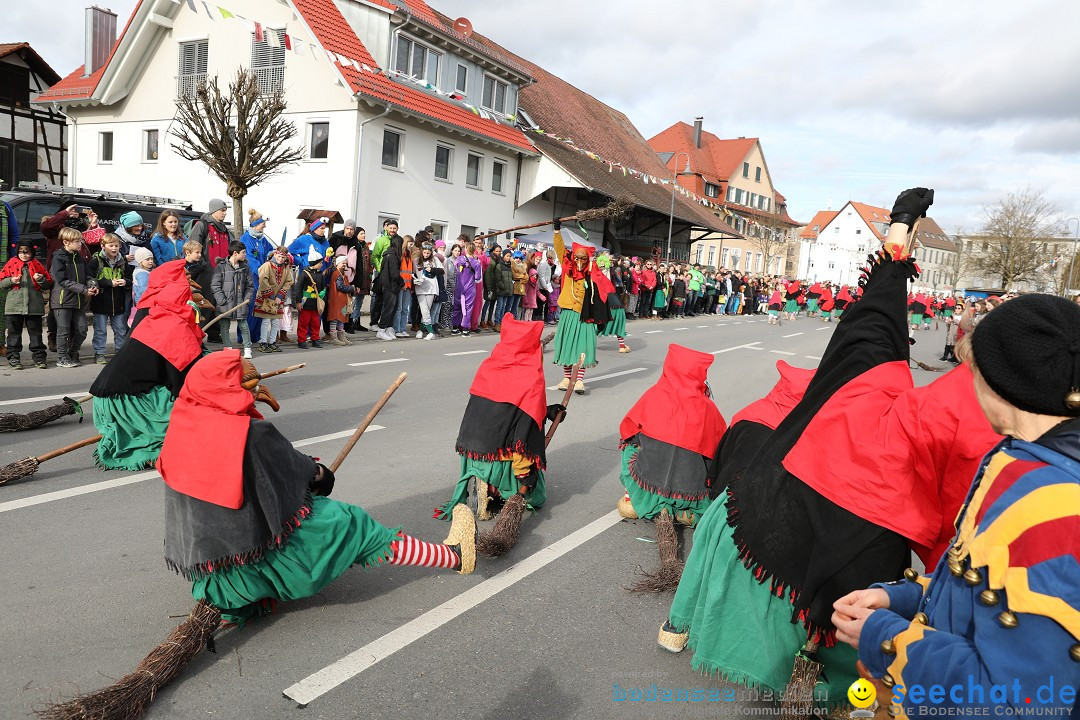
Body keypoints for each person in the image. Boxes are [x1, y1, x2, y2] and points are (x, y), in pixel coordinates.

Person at [659, 188, 964, 704]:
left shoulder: (835, 386)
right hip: (870, 537)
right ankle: (843, 685)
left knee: (731, 517)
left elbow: (870, 318)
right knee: (865, 588)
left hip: (797, 494)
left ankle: (684, 625)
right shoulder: (916, 404)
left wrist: (900, 232)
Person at [834, 294, 1080, 717]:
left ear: (1004, 385)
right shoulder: (1026, 460)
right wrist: (904, 599)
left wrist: (884, 636)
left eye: (974, 373)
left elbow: (1018, 701)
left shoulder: (1053, 503)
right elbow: (985, 588)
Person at [159, 350, 477, 628]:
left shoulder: (181, 426)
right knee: (350, 523)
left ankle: (252, 598)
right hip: (255, 553)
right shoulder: (249, 435)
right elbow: (297, 473)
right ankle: (454, 556)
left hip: (211, 566)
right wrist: (319, 474)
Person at [435, 316, 563, 528]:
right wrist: (525, 475)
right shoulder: (530, 376)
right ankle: (496, 487)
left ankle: (480, 480)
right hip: (501, 460)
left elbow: (503, 414)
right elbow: (525, 430)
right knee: (538, 496)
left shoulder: (489, 366)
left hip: (473, 452)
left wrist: (547, 411)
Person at [616, 345, 727, 587]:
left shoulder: (654, 395)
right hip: (690, 489)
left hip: (649, 481)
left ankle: (635, 498)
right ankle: (682, 510)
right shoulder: (709, 409)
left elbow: (628, 431)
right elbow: (719, 453)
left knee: (629, 446)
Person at [90, 259, 205, 470]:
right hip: (122, 400)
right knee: (176, 412)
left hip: (107, 393)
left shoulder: (154, 313)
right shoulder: (172, 324)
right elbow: (180, 384)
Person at [552, 222, 612, 394]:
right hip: (568, 314)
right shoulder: (567, 268)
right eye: (576, 258)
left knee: (583, 347)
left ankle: (579, 380)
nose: (579, 261)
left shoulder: (593, 273)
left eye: (583, 258)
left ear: (588, 259)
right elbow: (559, 248)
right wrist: (557, 231)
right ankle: (566, 377)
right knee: (566, 345)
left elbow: (603, 291)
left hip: (585, 316)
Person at [51, 228, 99, 368]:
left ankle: (72, 353)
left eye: (80, 241)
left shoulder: (79, 257)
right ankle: (62, 357)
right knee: (63, 331)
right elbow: (62, 280)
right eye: (77, 241)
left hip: (78, 300)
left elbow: (88, 275)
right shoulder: (58, 257)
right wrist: (84, 290)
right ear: (66, 242)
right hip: (62, 300)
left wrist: (92, 284)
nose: (80, 244)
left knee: (82, 329)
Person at [1, 238, 52, 369]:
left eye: (27, 252)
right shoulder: (11, 263)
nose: (24, 255)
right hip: (14, 306)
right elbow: (2, 283)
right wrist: (11, 280)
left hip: (33, 306)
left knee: (36, 334)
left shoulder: (37, 265)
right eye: (21, 252)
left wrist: (40, 279)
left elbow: (48, 284)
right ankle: (13, 358)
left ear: (32, 252)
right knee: (13, 335)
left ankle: (39, 358)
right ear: (17, 252)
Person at [88, 233, 131, 364]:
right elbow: (90, 279)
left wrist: (125, 282)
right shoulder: (96, 261)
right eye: (110, 245)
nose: (114, 248)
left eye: (116, 246)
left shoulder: (123, 261)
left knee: (120, 329)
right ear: (103, 246)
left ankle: (120, 352)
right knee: (100, 330)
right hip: (100, 302)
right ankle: (100, 353)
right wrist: (108, 283)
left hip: (118, 302)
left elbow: (130, 279)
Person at [211, 240, 254, 359]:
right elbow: (215, 285)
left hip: (241, 302)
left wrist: (246, 299)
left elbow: (250, 286)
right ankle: (228, 348)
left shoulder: (245, 267)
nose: (245, 254)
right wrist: (222, 301)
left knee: (244, 325)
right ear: (235, 253)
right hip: (225, 303)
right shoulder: (221, 267)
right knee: (224, 326)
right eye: (243, 252)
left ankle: (247, 348)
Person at [254, 245, 293, 353]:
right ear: (275, 254)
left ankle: (272, 342)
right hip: (266, 297)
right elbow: (263, 280)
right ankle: (263, 342)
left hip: (278, 299)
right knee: (265, 320)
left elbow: (288, 282)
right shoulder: (267, 265)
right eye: (279, 256)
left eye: (283, 257)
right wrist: (271, 295)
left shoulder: (285, 268)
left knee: (275, 321)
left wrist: (280, 296)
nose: (281, 259)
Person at [292, 246, 327, 349]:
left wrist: (322, 298)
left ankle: (315, 339)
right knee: (303, 323)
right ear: (314, 263)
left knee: (316, 323)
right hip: (305, 303)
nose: (321, 264)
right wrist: (298, 302)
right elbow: (298, 289)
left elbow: (322, 288)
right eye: (320, 263)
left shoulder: (321, 275)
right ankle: (301, 340)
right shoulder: (304, 274)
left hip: (316, 303)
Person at [596, 253, 630, 353]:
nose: (611, 259)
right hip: (608, 297)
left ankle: (622, 346)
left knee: (616, 317)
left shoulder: (610, 270)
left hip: (606, 297)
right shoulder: (610, 270)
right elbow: (618, 283)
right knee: (618, 319)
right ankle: (622, 346)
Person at [375, 230, 404, 342]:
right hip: (390, 286)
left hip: (389, 285)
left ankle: (388, 328)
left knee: (392, 308)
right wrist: (402, 283)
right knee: (389, 308)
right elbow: (394, 273)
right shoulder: (392, 256)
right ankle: (381, 330)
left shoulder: (388, 254)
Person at [413, 241, 442, 340]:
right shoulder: (416, 261)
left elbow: (441, 271)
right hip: (420, 287)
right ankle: (430, 332)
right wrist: (415, 280)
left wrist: (432, 270)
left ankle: (421, 330)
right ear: (421, 251)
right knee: (424, 310)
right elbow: (413, 273)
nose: (426, 255)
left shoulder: (435, 260)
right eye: (424, 253)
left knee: (426, 311)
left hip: (431, 288)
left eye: (428, 253)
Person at [188, 198, 231, 267]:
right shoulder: (202, 225)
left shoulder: (224, 229)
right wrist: (203, 265)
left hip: (223, 271)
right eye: (222, 210)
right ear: (214, 211)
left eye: (225, 211)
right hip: (207, 273)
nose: (225, 213)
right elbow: (192, 248)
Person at [325, 255, 355, 345]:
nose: (344, 265)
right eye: (343, 263)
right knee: (335, 318)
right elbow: (340, 287)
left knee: (341, 318)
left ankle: (341, 335)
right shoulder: (337, 274)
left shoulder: (340, 274)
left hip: (341, 301)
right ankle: (333, 336)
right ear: (337, 264)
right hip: (337, 300)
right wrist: (351, 288)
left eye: (345, 264)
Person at [452, 242, 481, 336]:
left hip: (459, 286)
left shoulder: (459, 259)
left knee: (457, 307)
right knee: (468, 308)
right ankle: (465, 329)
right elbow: (478, 278)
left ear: (466, 250)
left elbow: (455, 269)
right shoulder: (476, 263)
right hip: (470, 287)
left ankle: (455, 328)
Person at [393, 235, 415, 338]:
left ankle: (402, 329)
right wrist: (401, 284)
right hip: (401, 285)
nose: (412, 246)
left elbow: (410, 272)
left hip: (408, 285)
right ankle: (397, 329)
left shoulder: (409, 255)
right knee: (399, 308)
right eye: (410, 244)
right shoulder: (400, 255)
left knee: (405, 309)